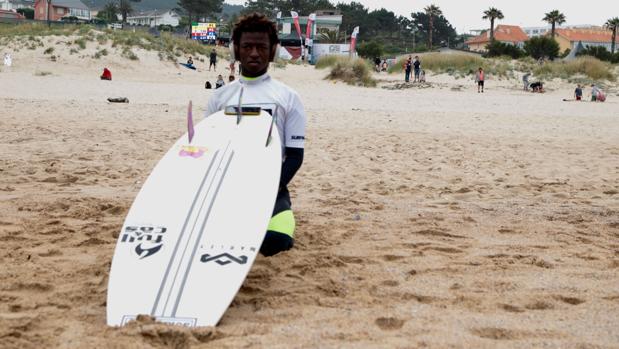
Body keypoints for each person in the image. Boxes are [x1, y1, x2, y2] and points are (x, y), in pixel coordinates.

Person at [206, 13, 306, 257]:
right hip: (227, 188)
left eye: (261, 47)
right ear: (236, 50)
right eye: (247, 46)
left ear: (272, 51)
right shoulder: (220, 98)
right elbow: (209, 149)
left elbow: (294, 156)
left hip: (271, 188)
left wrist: (265, 190)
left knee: (275, 242)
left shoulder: (288, 98)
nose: (253, 53)